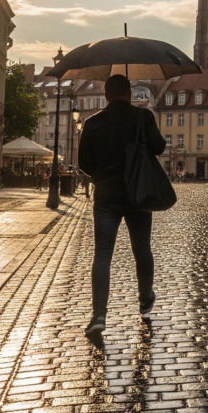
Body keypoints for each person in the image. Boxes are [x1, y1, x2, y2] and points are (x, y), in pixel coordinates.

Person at [78, 74, 165, 340]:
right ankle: (145, 298)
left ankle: (99, 315)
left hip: (106, 195)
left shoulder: (92, 123)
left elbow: (83, 162)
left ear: (106, 94)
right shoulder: (143, 117)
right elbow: (159, 147)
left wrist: (103, 175)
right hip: (138, 192)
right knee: (142, 248)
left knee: (103, 253)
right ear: (129, 93)